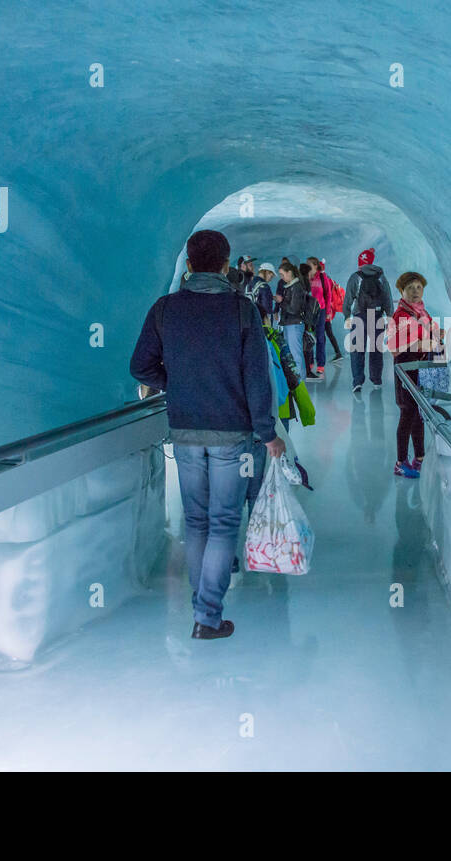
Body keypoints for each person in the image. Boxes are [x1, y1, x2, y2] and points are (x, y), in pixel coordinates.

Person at [129, 229, 285, 640]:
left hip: (184, 431)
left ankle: (205, 608)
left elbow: (140, 367)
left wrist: (176, 383)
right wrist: (268, 434)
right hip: (232, 435)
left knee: (196, 521)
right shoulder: (241, 310)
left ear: (190, 264)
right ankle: (206, 615)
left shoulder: (165, 309)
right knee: (223, 523)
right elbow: (257, 380)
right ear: (225, 264)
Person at [385, 271, 444, 478]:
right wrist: (422, 344)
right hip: (406, 369)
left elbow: (431, 332)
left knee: (417, 415)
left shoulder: (421, 312)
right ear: (402, 291)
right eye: (410, 288)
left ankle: (419, 459)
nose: (415, 291)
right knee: (407, 414)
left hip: (420, 368)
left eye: (418, 287)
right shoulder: (401, 315)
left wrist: (439, 335)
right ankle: (400, 463)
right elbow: (393, 346)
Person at [342, 248, 394, 394]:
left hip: (360, 317)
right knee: (376, 350)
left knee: (357, 350)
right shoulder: (381, 276)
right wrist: (389, 316)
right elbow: (387, 298)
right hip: (377, 317)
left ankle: (357, 381)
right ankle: (376, 380)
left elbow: (348, 300)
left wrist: (347, 315)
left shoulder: (355, 277)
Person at [276, 260, 308, 379]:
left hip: (295, 324)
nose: (281, 277)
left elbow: (294, 309)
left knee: (296, 355)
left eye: (282, 274)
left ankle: (301, 382)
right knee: (291, 354)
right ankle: (295, 381)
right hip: (289, 324)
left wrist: (281, 301)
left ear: (289, 272)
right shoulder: (289, 287)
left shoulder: (296, 287)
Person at [311, 256, 345, 364]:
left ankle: (332, 353)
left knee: (325, 333)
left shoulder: (323, 278)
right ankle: (332, 353)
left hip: (325, 310)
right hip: (326, 310)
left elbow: (327, 296)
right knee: (326, 333)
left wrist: (326, 312)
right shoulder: (326, 278)